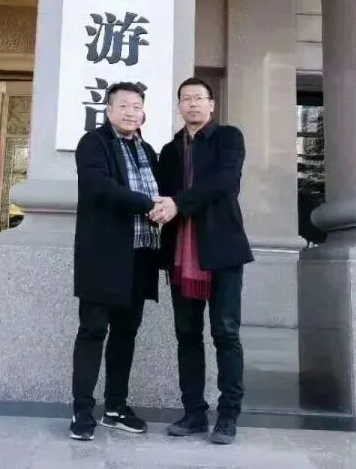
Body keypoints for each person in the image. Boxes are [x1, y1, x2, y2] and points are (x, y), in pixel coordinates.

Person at [152, 77, 254, 445]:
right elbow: (159, 194)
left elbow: (224, 182)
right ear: (179, 106)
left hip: (222, 250)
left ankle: (228, 415)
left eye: (199, 98)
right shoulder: (169, 150)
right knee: (187, 335)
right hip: (181, 254)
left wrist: (179, 203)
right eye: (186, 99)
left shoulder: (229, 138)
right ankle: (194, 412)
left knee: (225, 333)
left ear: (211, 104)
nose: (193, 104)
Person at [69, 82, 165, 441]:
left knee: (126, 333)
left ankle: (115, 407)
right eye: (123, 105)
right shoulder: (93, 143)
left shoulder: (148, 150)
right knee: (93, 330)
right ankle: (82, 411)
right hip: (103, 256)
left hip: (140, 256)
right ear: (108, 110)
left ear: (143, 113)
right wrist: (148, 204)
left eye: (136, 106)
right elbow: (100, 186)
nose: (130, 112)